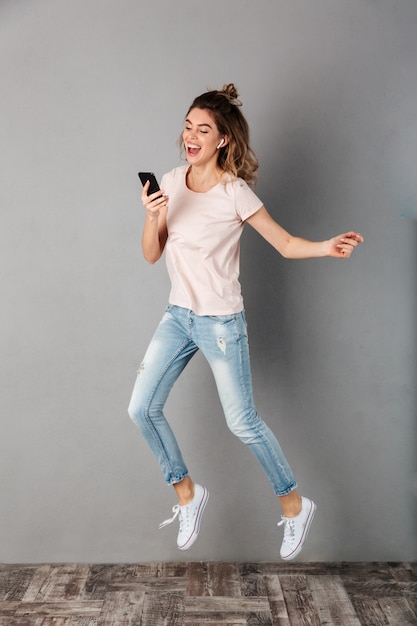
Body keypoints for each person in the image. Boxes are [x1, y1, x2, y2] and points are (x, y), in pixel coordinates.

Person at [128, 83, 363, 560]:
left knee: (243, 423)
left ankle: (295, 504)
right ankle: (188, 494)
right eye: (188, 126)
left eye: (204, 129)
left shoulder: (235, 193)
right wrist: (152, 218)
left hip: (219, 323)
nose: (191, 136)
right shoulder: (171, 183)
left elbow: (285, 243)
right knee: (141, 408)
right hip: (178, 316)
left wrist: (325, 246)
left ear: (223, 141)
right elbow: (152, 255)